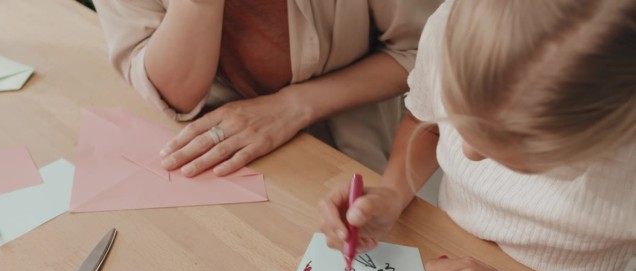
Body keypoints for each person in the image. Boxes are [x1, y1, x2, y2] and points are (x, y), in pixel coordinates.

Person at [318, 0, 636, 271]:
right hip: (446, 257)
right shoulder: (457, 22)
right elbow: (428, 123)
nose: (466, 153)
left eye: (510, 153)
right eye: (459, 119)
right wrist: (392, 192)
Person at [92, 0, 440, 176]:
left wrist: (294, 105)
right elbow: (176, 94)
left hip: (350, 158)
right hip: (222, 158)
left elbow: (426, 52)